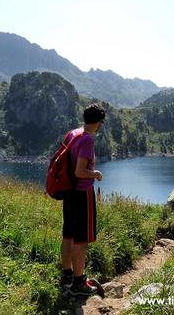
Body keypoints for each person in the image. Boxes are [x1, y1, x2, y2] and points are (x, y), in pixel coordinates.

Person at [60, 103, 105, 296]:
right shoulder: (87, 139)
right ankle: (78, 284)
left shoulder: (72, 134)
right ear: (98, 123)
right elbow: (80, 171)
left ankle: (67, 274)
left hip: (68, 192)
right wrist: (95, 174)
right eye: (101, 122)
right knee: (81, 240)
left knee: (68, 234)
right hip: (82, 194)